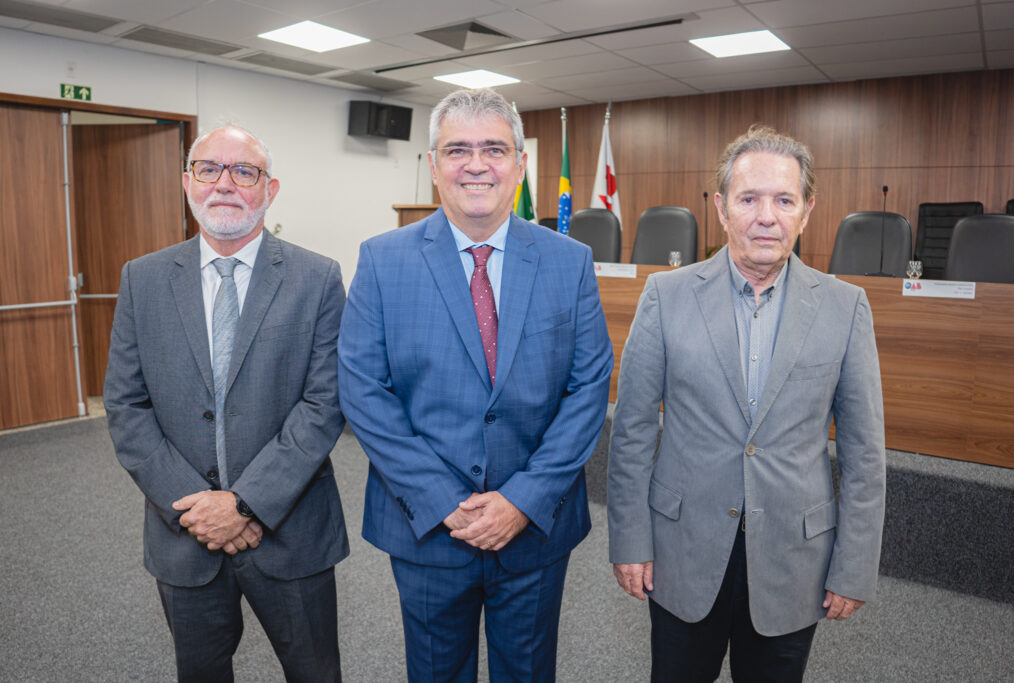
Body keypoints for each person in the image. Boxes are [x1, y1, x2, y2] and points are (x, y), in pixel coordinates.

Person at [338, 88, 614, 682]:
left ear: (518, 163)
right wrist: (443, 503)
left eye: (493, 148)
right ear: (434, 165)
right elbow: (364, 391)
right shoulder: (383, 260)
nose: (476, 163)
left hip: (535, 524)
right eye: (457, 149)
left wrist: (523, 499)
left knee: (529, 672)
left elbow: (588, 389)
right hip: (427, 526)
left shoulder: (569, 261)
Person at [607, 125, 886, 682]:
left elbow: (863, 452)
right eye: (749, 198)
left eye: (784, 200)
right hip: (682, 551)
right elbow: (632, 431)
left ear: (806, 211)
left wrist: (853, 567)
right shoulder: (665, 296)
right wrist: (630, 541)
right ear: (720, 207)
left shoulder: (845, 307)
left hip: (792, 559)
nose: (767, 216)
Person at [104, 124, 348, 682]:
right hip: (184, 533)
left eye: (245, 171)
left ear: (271, 188)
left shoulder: (318, 279)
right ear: (188, 182)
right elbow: (125, 405)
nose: (225, 184)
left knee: (315, 673)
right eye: (209, 169)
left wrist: (244, 505)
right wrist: (199, 509)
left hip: (291, 532)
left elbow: (324, 404)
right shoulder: (142, 280)